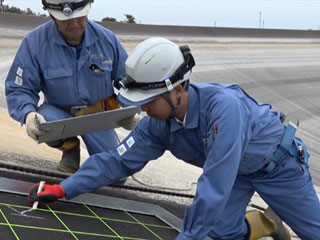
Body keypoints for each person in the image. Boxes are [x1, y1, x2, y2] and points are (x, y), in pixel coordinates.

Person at [28, 37, 320, 239]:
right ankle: (268, 224)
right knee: (220, 231)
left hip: (278, 167)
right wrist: (65, 189)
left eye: (148, 100)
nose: (142, 108)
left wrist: (189, 236)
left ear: (177, 90)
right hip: (238, 173)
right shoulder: (159, 122)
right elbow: (116, 162)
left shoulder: (223, 109)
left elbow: (214, 185)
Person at [5, 0, 139, 174]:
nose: (74, 24)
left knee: (116, 175)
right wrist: (28, 114)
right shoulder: (34, 43)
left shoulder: (107, 40)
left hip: (98, 117)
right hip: (59, 116)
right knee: (45, 120)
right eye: (66, 20)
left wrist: (132, 111)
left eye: (80, 17)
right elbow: (19, 89)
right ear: (52, 15)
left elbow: (130, 83)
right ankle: (69, 146)